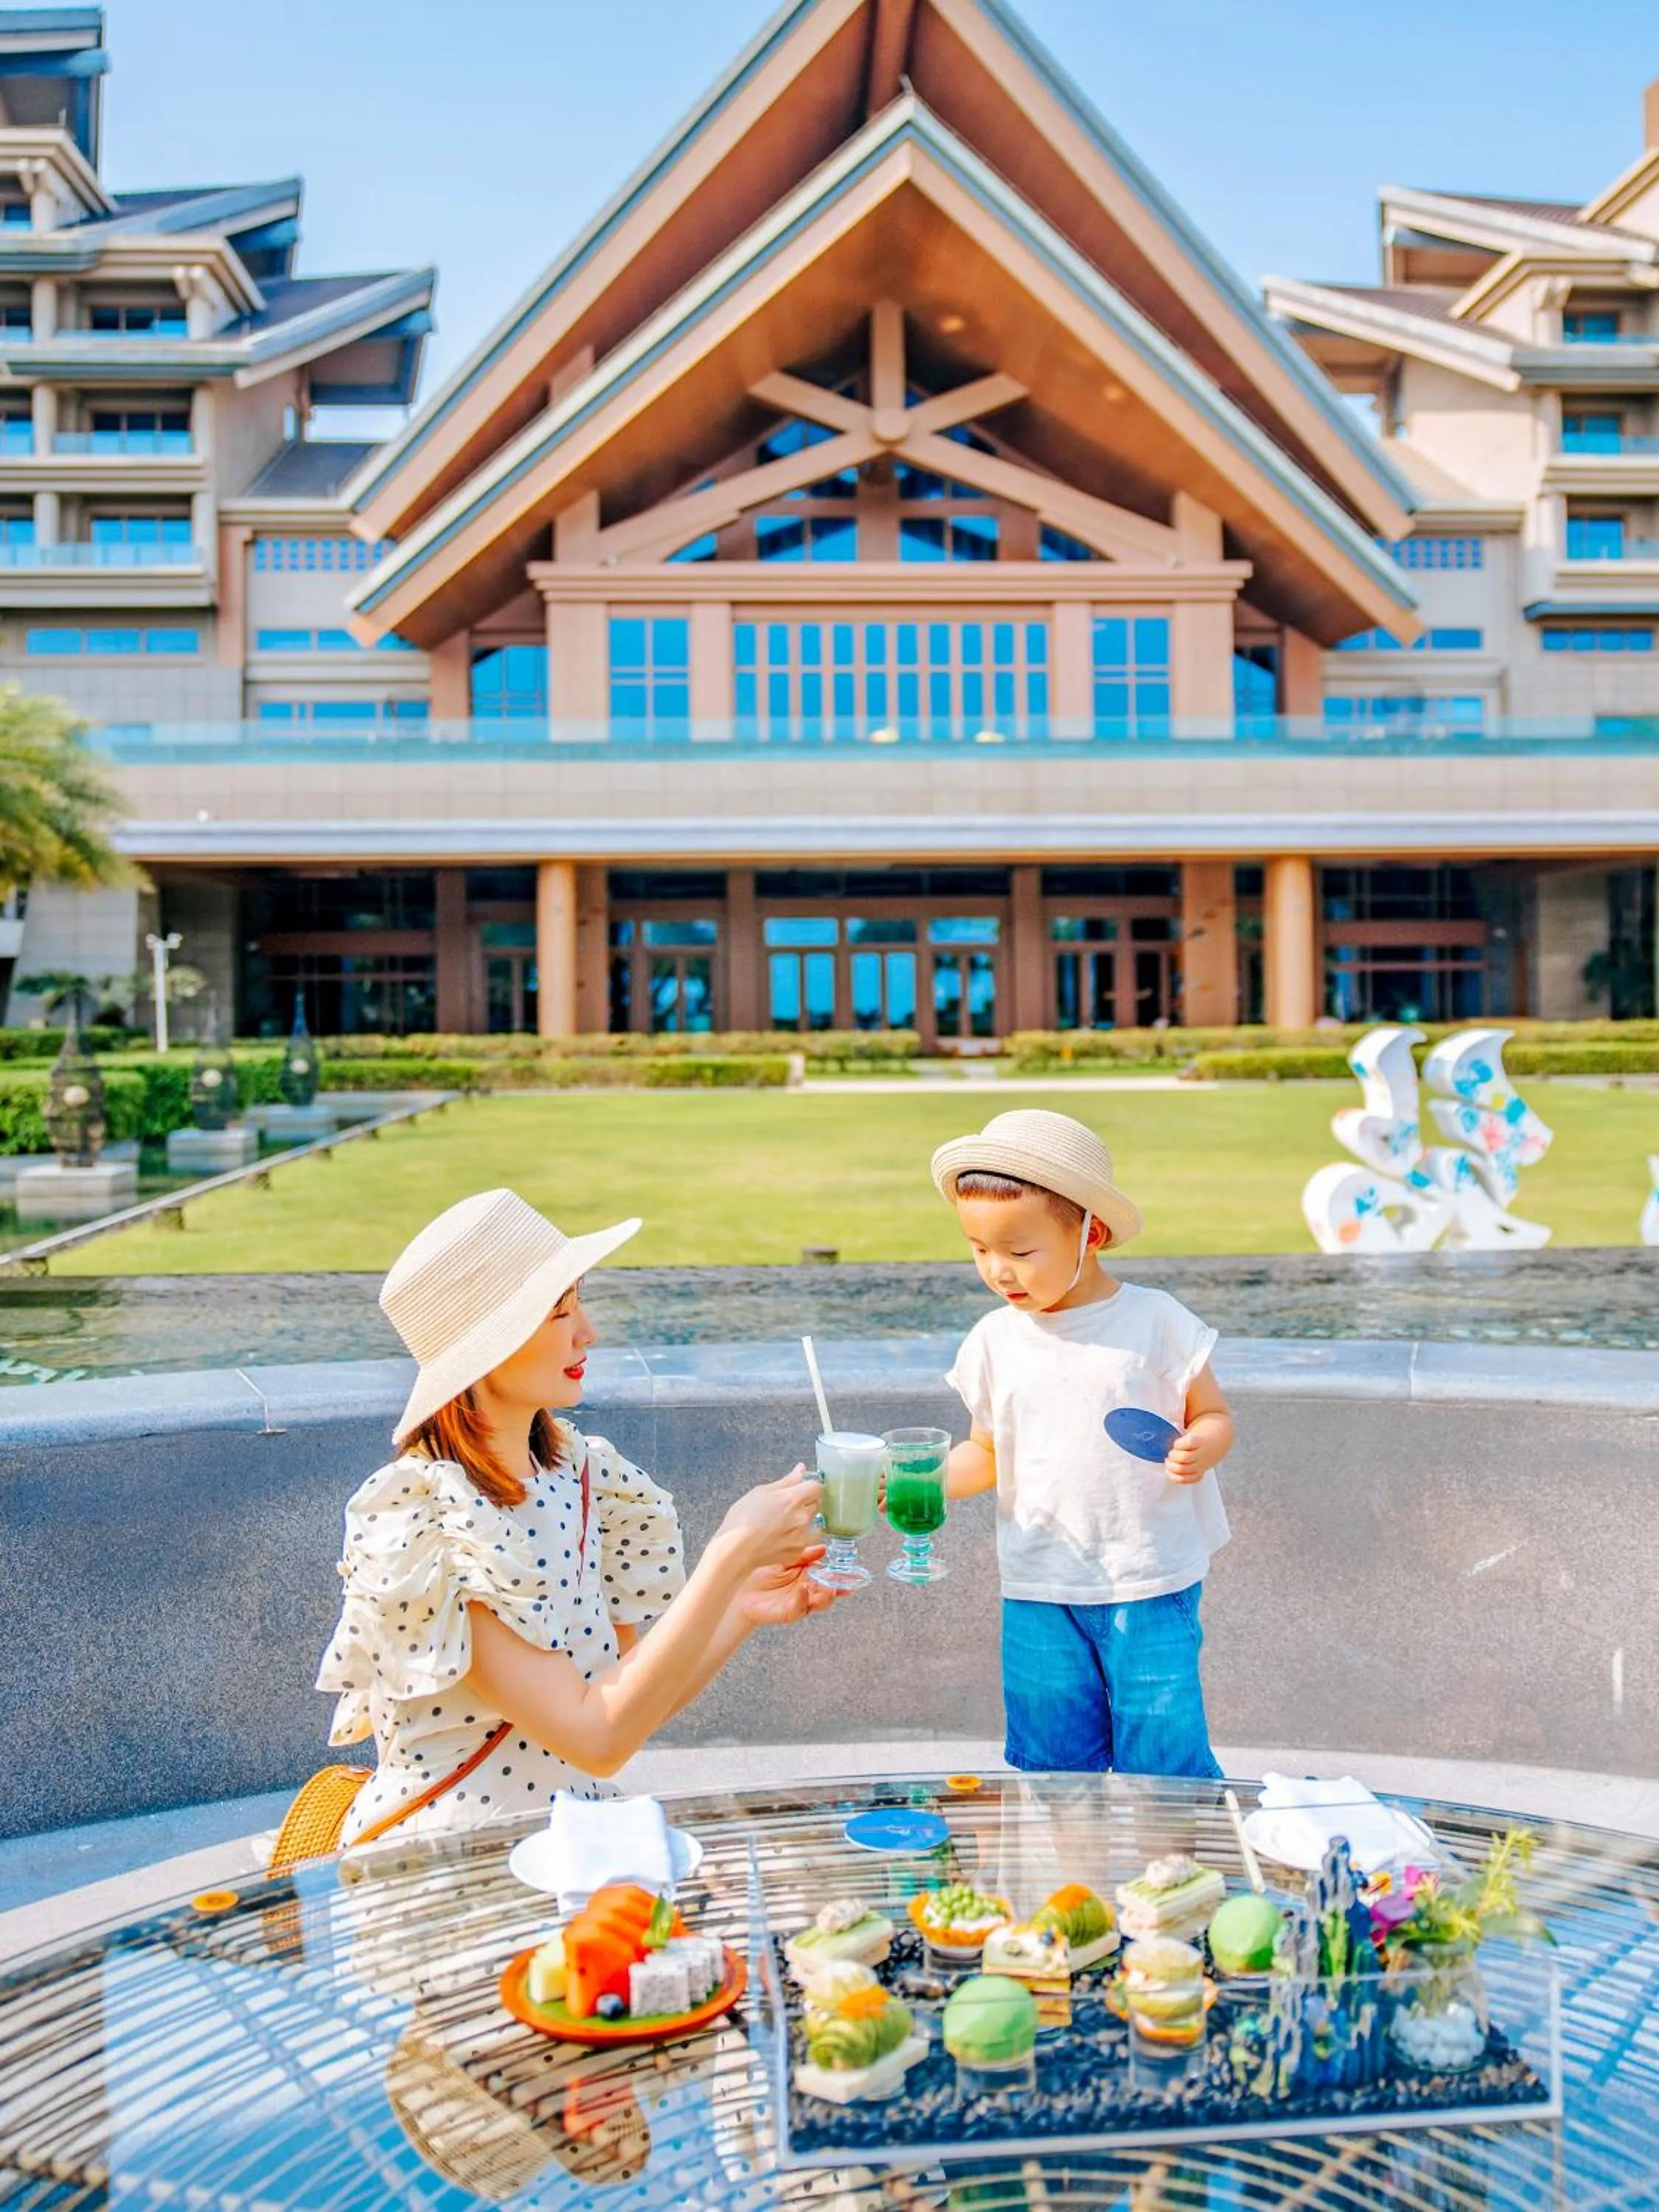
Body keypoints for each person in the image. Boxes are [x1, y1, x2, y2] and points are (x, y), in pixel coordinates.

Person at [316, 1187, 832, 1843]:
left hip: (571, 1846)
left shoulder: (584, 1476)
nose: (587, 1331)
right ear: (488, 1349)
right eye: (560, 1312)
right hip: (456, 1868)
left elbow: (622, 1700)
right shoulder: (434, 1521)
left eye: (579, 1302)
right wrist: (728, 1554)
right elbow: (599, 1740)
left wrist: (740, 1607)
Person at [931, 1109, 1234, 1778]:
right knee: (1052, 1761)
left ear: (1090, 1233)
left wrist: (1202, 1444)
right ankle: (1068, 1874)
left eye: (1020, 1251)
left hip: (1148, 1579)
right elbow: (986, 1453)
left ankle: (1172, 1870)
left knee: (1163, 1754)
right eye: (979, 1248)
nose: (998, 1271)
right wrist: (922, 1482)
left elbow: (1212, 1414)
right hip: (1040, 1582)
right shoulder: (994, 1341)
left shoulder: (1155, 1322)